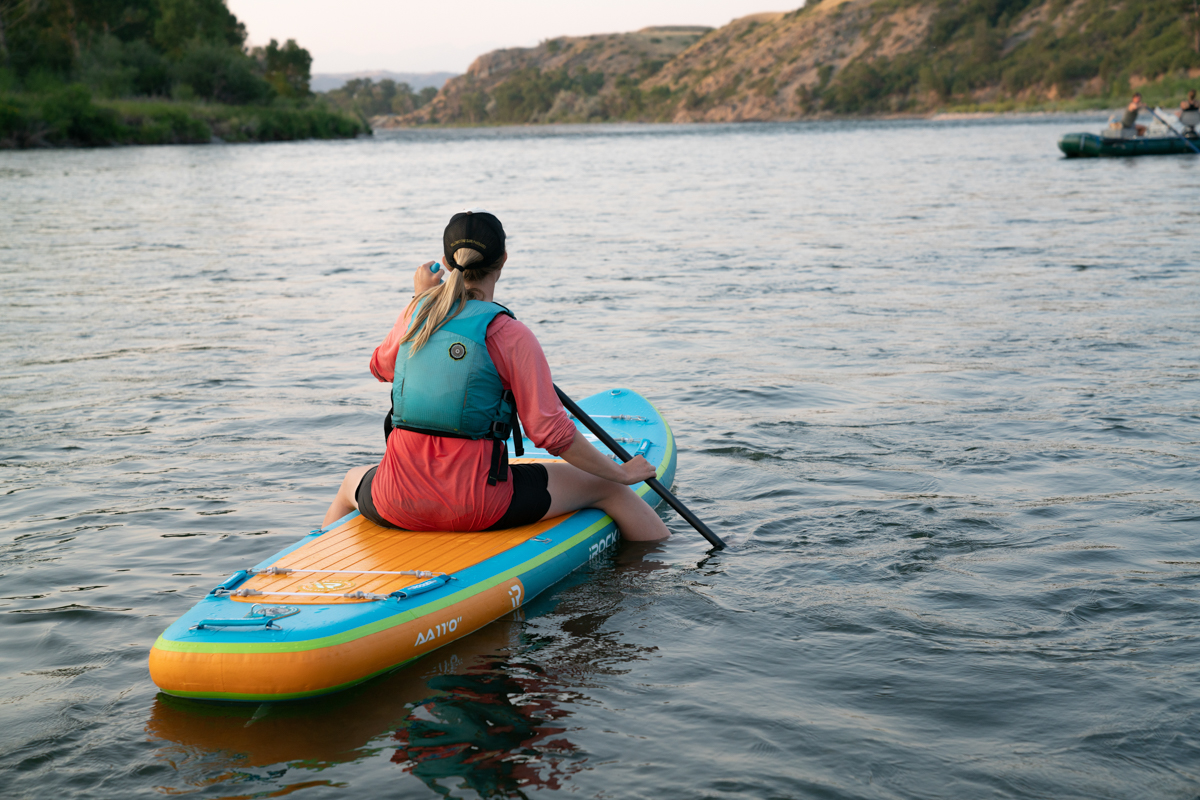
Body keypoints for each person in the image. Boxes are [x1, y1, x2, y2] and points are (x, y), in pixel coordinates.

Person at [322, 210, 669, 542]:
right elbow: (552, 434)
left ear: (445, 263)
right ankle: (658, 573)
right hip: (477, 507)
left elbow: (381, 369)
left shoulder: (416, 314)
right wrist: (621, 473)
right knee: (609, 490)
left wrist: (419, 298)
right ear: (503, 259)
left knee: (348, 483)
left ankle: (315, 558)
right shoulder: (509, 334)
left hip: (395, 500)